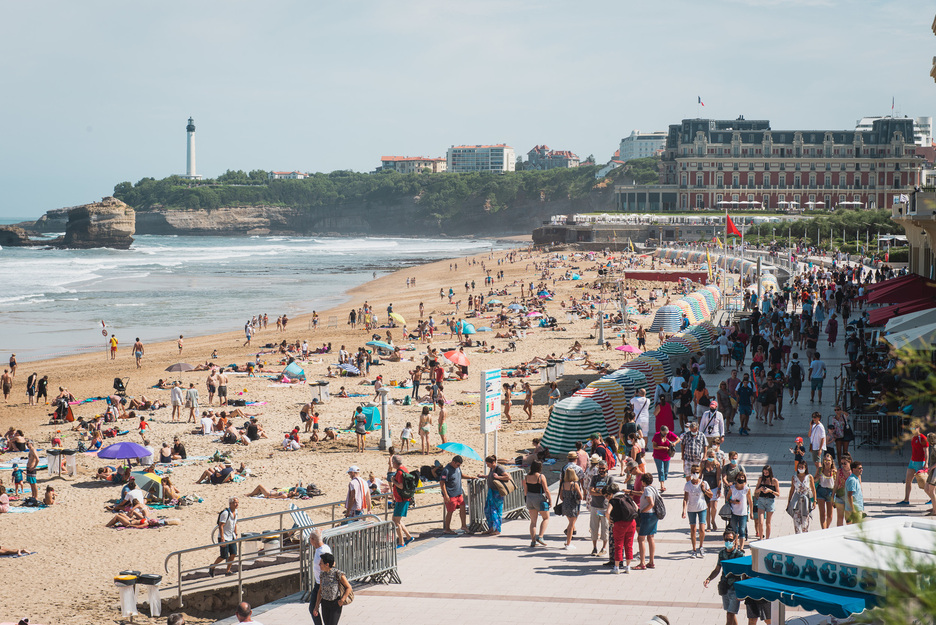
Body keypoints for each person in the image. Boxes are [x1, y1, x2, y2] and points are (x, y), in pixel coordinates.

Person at [703, 528, 746, 625]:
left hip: (735, 588)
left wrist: (742, 591)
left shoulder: (739, 555)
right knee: (730, 612)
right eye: (726, 540)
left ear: (735, 540)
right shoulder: (722, 553)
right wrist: (709, 578)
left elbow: (744, 573)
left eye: (730, 540)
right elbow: (717, 569)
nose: (728, 542)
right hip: (725, 587)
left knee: (730, 615)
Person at [606, 482, 638, 574]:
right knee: (629, 545)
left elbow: (607, 512)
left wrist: (609, 520)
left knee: (618, 545)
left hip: (619, 524)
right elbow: (636, 507)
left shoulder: (613, 500)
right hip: (631, 523)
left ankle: (616, 567)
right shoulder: (627, 497)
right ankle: (628, 567)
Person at [312, 553, 352, 625]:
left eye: (321, 563)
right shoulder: (322, 575)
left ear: (327, 564)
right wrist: (316, 607)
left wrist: (342, 600)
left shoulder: (338, 574)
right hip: (325, 604)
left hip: (335, 604)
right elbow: (320, 591)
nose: (319, 565)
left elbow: (349, 587)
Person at [682, 464, 712, 557]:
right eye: (694, 472)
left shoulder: (704, 483)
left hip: (702, 508)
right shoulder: (688, 484)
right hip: (691, 509)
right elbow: (685, 498)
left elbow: (711, 495)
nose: (695, 474)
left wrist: (704, 489)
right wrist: (684, 510)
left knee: (702, 529)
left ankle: (701, 546)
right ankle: (694, 549)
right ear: (691, 473)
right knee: (693, 529)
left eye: (697, 472)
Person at [480, 454, 511, 536]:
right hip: (491, 491)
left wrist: (498, 477)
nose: (487, 466)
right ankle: (491, 528)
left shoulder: (499, 468)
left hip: (497, 493)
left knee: (496, 511)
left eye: (488, 464)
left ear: (493, 462)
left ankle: (497, 529)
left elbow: (508, 477)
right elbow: (491, 476)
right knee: (488, 510)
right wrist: (483, 476)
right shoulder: (492, 468)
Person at [897, 427, 929, 505]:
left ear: (918, 428)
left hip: (920, 462)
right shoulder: (913, 437)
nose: (912, 429)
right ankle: (906, 499)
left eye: (914, 428)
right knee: (908, 481)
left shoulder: (923, 438)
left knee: (924, 483)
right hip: (912, 462)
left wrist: (926, 463)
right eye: (911, 428)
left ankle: (932, 497)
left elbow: (926, 451)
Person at [308, 528, 332, 625]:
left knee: (314, 608)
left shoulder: (322, 551)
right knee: (315, 608)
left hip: (322, 584)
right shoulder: (322, 548)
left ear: (313, 539)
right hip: (318, 583)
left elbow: (330, 564)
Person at [523, 460, 550, 547]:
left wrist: (526, 499)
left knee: (533, 521)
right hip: (538, 497)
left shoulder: (526, 477)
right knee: (546, 518)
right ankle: (541, 536)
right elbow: (546, 490)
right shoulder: (541, 477)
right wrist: (550, 500)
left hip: (529, 498)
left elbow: (525, 490)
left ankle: (533, 541)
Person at [209, 497, 238, 577]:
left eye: (237, 503)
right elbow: (221, 526)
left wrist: (236, 534)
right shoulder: (225, 513)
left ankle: (228, 570)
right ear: (230, 504)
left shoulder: (236, 512)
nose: (237, 504)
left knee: (233, 554)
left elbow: (234, 523)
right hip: (224, 537)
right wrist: (222, 538)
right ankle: (212, 566)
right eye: (235, 503)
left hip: (231, 536)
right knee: (224, 556)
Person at [390, 455, 414, 547]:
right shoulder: (404, 469)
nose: (392, 464)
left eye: (393, 463)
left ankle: (401, 542)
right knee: (395, 519)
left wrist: (393, 481)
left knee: (396, 521)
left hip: (402, 500)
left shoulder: (400, 472)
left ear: (395, 463)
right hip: (402, 499)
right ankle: (408, 537)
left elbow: (400, 485)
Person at [588, 460, 610, 556]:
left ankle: (604, 547)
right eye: (600, 468)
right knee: (594, 528)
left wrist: (596, 490)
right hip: (595, 507)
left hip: (604, 508)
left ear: (606, 468)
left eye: (603, 468)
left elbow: (608, 492)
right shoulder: (595, 478)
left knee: (605, 528)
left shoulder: (609, 479)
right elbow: (591, 491)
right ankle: (594, 547)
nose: (601, 470)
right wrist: (601, 491)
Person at [635, 473, 658, 570]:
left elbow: (651, 503)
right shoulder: (654, 488)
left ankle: (642, 562)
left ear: (643, 481)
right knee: (651, 537)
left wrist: (643, 510)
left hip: (647, 515)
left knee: (641, 538)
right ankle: (651, 561)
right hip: (654, 515)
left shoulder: (647, 489)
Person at [440, 455, 467, 534]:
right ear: (453, 462)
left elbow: (461, 475)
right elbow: (442, 483)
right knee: (450, 511)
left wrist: (472, 477)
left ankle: (464, 525)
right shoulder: (446, 470)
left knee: (463, 508)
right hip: (450, 494)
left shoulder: (457, 468)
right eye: (458, 465)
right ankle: (447, 529)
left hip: (458, 493)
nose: (458, 466)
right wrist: (446, 495)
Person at [752, 465, 780, 540]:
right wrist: (760, 489)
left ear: (770, 472)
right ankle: (761, 538)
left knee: (768, 523)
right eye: (764, 473)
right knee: (760, 522)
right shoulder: (761, 479)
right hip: (761, 500)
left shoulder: (774, 481)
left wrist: (770, 491)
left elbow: (778, 494)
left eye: (767, 473)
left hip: (770, 501)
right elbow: (755, 491)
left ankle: (767, 539)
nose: (765, 474)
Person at [789, 460, 817, 534]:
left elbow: (813, 489)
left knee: (805, 521)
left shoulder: (809, 477)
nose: (800, 468)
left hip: (806, 501)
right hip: (796, 501)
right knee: (796, 521)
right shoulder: (794, 477)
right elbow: (792, 490)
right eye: (799, 467)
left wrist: (814, 501)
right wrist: (789, 502)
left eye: (802, 467)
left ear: (805, 468)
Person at [559, 466, 583, 550]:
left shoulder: (563, 485)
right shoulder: (574, 484)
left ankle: (568, 541)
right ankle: (568, 543)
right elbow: (580, 496)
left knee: (570, 523)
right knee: (571, 525)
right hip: (573, 505)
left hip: (565, 505)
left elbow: (561, 497)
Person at [727, 472, 753, 549]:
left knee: (742, 530)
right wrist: (733, 501)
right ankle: (735, 545)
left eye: (742, 477)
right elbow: (727, 498)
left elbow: (750, 501)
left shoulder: (746, 489)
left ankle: (741, 548)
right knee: (735, 530)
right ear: (736, 478)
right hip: (734, 512)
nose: (741, 479)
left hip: (743, 513)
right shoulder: (732, 488)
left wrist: (751, 512)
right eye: (740, 477)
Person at [651, 425, 679, 492]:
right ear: (660, 431)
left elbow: (678, 439)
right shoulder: (656, 435)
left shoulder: (669, 434)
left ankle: (663, 480)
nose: (665, 434)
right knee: (661, 470)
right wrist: (663, 448)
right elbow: (654, 446)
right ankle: (662, 485)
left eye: (666, 433)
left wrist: (674, 443)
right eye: (664, 433)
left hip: (667, 456)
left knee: (665, 471)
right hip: (658, 456)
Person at [814, 452, 836, 529]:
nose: (827, 462)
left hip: (830, 492)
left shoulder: (834, 472)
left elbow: (837, 484)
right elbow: (814, 479)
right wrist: (817, 478)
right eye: (825, 460)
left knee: (830, 515)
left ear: (831, 461)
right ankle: (824, 530)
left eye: (828, 460)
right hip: (821, 491)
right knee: (822, 513)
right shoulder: (820, 470)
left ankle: (826, 527)